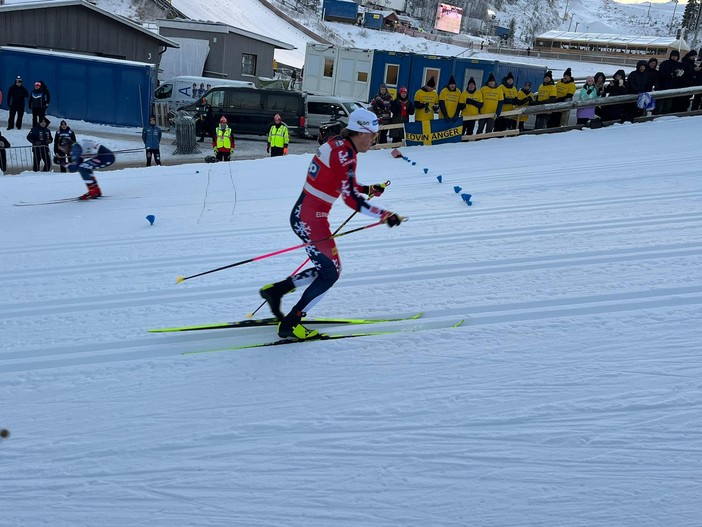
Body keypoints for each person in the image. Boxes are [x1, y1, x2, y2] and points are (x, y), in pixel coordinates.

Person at [259, 108, 403, 340]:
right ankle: (291, 323)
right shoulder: (346, 155)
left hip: (305, 215)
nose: (375, 139)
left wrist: (368, 189)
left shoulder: (338, 144)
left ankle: (277, 290)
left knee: (325, 268)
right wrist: (384, 214)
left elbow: (342, 183)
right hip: (310, 221)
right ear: (361, 132)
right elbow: (351, 200)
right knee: (331, 273)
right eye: (373, 135)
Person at [654, 50, 684, 115]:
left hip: (672, 88)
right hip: (662, 87)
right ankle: (655, 117)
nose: (674, 57)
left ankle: (664, 118)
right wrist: (672, 74)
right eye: (673, 56)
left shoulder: (679, 65)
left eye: (676, 56)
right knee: (659, 106)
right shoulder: (664, 63)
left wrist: (679, 76)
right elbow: (661, 75)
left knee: (667, 106)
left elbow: (681, 76)